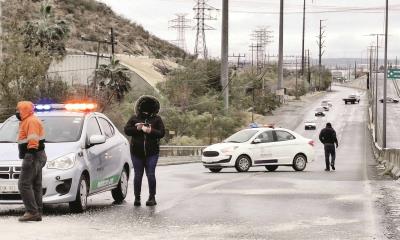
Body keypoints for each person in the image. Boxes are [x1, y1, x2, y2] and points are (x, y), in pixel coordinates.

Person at [124, 96, 165, 206]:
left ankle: (152, 197)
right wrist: (137, 129)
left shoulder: (157, 119)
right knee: (138, 175)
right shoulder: (134, 118)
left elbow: (161, 133)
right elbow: (127, 130)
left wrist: (150, 130)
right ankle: (137, 198)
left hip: (152, 153)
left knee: (150, 174)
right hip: (136, 153)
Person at [16, 101, 47, 221]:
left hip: (33, 155)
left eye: (18, 110)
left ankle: (32, 211)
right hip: (37, 155)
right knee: (36, 185)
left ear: (24, 110)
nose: (17, 112)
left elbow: (33, 140)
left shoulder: (31, 121)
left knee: (23, 184)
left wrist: (29, 155)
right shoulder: (28, 120)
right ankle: (37, 211)